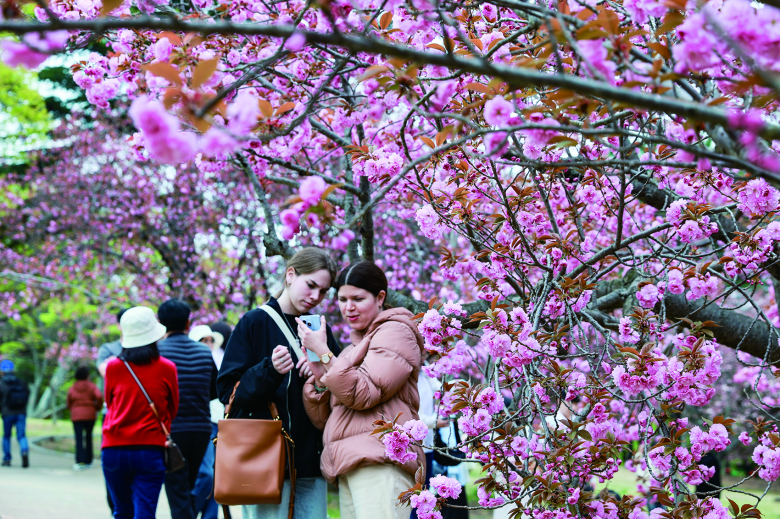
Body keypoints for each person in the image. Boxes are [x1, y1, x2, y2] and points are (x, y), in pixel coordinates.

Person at [217, 247, 340, 519]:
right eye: (311, 285)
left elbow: (342, 387)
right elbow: (227, 392)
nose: (315, 296)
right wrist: (269, 370)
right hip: (264, 461)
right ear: (290, 274)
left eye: (323, 291)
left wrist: (322, 368)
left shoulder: (318, 329)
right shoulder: (254, 322)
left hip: (311, 462)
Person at [300, 261, 425, 519]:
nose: (349, 307)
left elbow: (363, 393)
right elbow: (327, 420)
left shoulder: (396, 331)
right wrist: (320, 376)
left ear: (380, 297)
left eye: (358, 298)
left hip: (380, 462)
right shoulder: (349, 352)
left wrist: (324, 354)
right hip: (349, 464)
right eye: (343, 299)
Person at [102, 306, 179, 518]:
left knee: (121, 512)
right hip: (150, 449)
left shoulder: (112, 367)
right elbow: (172, 409)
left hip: (113, 449)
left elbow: (110, 403)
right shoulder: (167, 368)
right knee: (145, 512)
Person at [157, 299, 219, 519]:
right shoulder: (204, 352)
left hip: (172, 431)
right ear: (187, 322)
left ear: (160, 323)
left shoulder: (157, 351)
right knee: (187, 485)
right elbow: (215, 390)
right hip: (201, 430)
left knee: (176, 487)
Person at [190, 323, 229, 519]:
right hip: (204, 423)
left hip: (223, 422)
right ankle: (189, 512)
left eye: (210, 340)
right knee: (206, 473)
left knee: (218, 476)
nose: (207, 344)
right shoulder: (192, 362)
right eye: (203, 340)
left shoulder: (222, 358)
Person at [96, 307, 130, 514]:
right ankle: (115, 506)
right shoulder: (108, 348)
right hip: (113, 414)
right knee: (113, 466)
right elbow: (105, 372)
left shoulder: (155, 349)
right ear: (119, 325)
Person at [67, 365, 103, 470]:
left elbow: (69, 401)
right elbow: (99, 396)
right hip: (90, 415)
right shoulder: (92, 386)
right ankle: (88, 461)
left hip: (76, 415)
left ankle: (79, 462)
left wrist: (73, 409)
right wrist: (97, 407)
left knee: (78, 438)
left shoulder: (72, 387)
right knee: (88, 437)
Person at [0, 359, 30, 468]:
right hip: (21, 412)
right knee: (21, 435)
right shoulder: (21, 382)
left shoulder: (2, 383)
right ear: (13, 370)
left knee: (7, 436)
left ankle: (7, 459)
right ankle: (24, 451)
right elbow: (27, 394)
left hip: (7, 413)